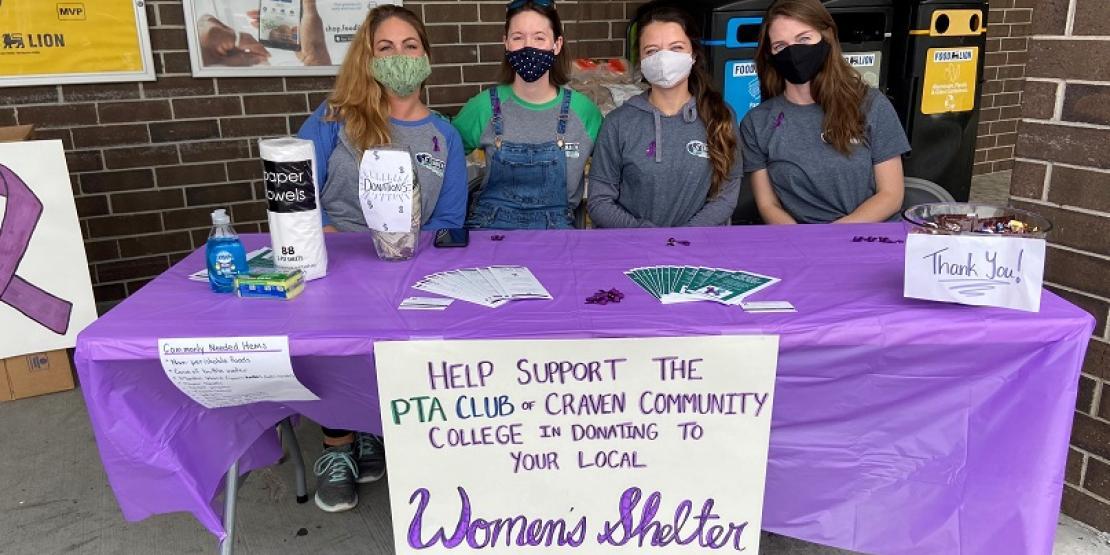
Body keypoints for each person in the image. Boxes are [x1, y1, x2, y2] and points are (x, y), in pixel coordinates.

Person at [295, 4, 467, 512]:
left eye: (410, 46)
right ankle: (337, 446)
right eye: (384, 48)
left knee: (397, 359)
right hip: (338, 270)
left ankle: (369, 430)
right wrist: (335, 241)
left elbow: (450, 217)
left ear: (426, 56)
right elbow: (300, 197)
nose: (400, 56)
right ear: (366, 60)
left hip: (412, 273)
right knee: (335, 353)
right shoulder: (333, 122)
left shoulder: (444, 135)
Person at [740, 0, 910, 224]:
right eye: (780, 46)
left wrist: (832, 238)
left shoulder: (871, 104)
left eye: (804, 39)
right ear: (769, 54)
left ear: (826, 37)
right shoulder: (757, 123)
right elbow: (768, 205)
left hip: (870, 239)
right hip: (801, 246)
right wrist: (805, 246)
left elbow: (891, 196)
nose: (794, 51)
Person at [587, 2, 741, 228]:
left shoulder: (719, 116)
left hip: (700, 250)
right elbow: (599, 201)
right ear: (640, 60)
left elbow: (726, 195)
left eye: (676, 48)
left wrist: (685, 237)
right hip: (634, 250)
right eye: (652, 51)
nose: (664, 58)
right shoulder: (619, 123)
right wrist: (646, 235)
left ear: (694, 54)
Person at [452, 0, 603, 230]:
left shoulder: (584, 113)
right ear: (506, 43)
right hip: (490, 233)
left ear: (557, 44)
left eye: (539, 37)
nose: (528, 47)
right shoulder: (484, 107)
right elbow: (443, 158)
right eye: (518, 37)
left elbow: (611, 176)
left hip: (557, 236)